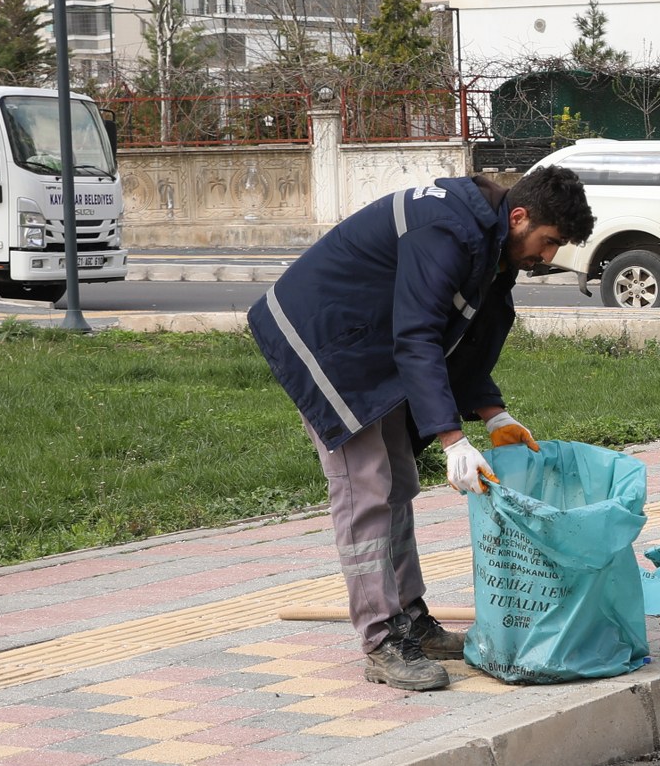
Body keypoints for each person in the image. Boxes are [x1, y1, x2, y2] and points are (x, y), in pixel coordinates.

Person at [250, 164, 595, 691]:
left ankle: (410, 618)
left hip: (371, 341)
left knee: (398, 481)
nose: (547, 257)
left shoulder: (492, 241)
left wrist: (492, 413)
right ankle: (381, 640)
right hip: (323, 339)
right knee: (365, 488)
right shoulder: (448, 230)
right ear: (520, 217)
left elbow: (467, 337)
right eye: (548, 242)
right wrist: (451, 439)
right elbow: (418, 336)